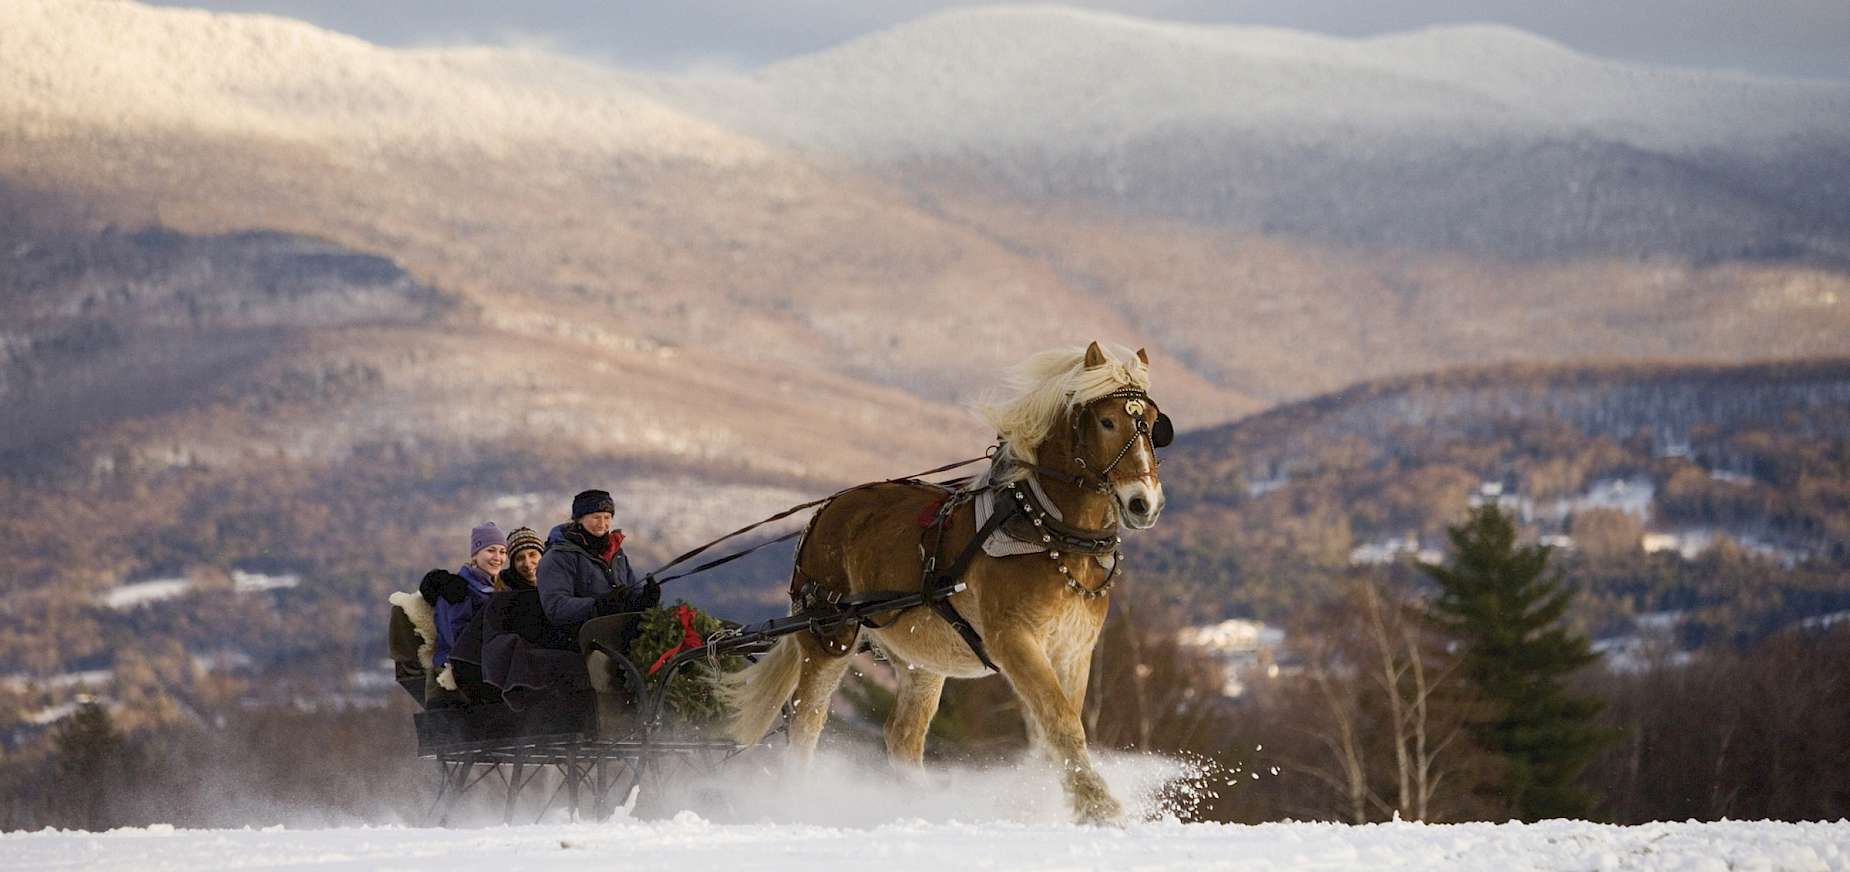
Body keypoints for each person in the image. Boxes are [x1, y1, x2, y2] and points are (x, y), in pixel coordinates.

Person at [537, 489, 660, 635]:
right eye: (596, 517)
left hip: (619, 632)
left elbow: (629, 593)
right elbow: (556, 608)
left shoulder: (616, 553)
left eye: (607, 517)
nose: (602, 524)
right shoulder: (559, 556)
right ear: (579, 519)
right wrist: (598, 605)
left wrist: (645, 599)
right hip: (580, 638)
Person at [432, 522, 505, 687]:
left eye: (502, 552)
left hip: (488, 661)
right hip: (461, 664)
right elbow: (458, 639)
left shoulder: (497, 588)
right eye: (490, 550)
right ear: (475, 555)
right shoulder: (457, 589)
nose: (498, 557)